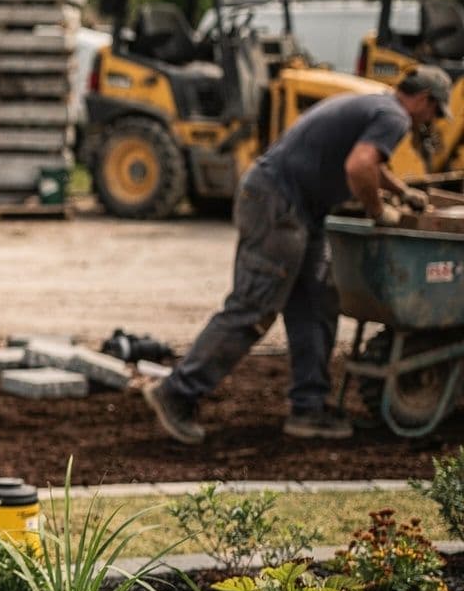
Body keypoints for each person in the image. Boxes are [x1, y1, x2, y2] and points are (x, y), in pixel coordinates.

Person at [144, 68, 452, 444]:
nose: (431, 121)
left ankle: (309, 408)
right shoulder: (394, 117)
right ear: (424, 99)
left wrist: (400, 191)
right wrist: (378, 212)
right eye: (435, 112)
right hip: (279, 204)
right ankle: (177, 392)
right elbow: (359, 166)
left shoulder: (376, 104)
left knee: (316, 304)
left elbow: (367, 162)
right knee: (254, 307)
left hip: (295, 207)